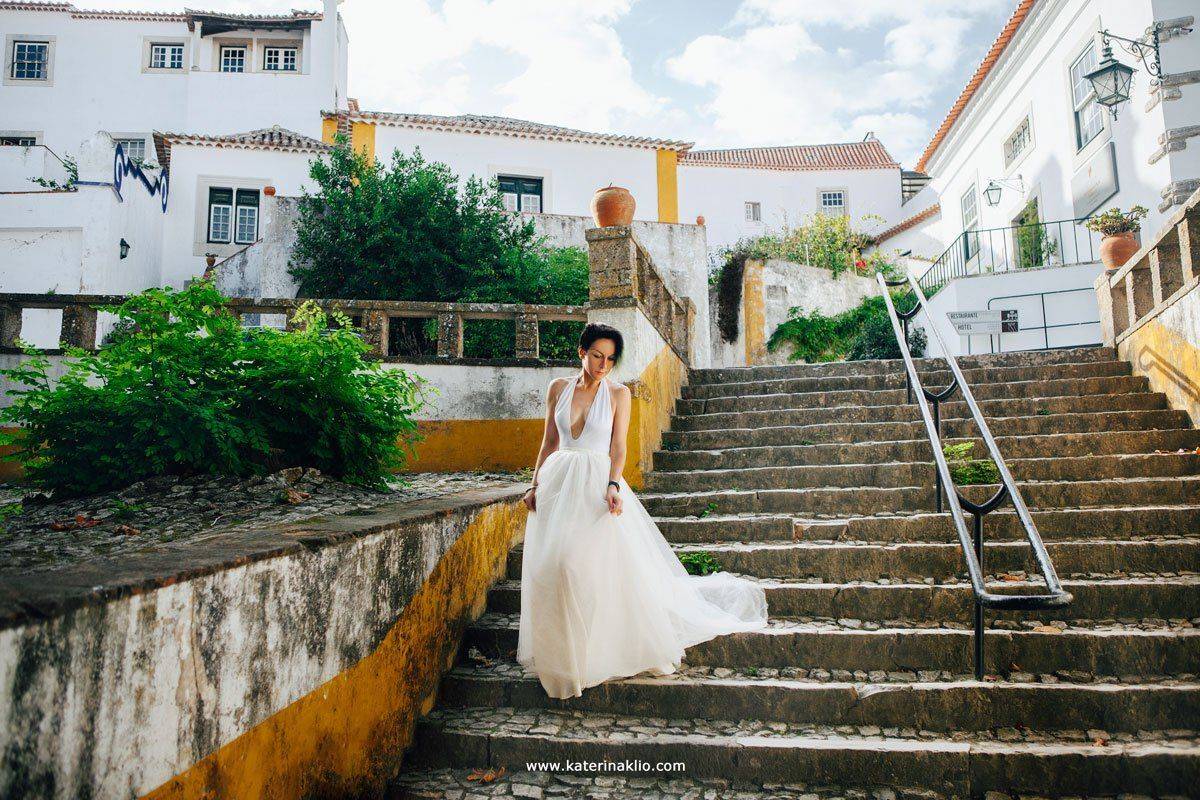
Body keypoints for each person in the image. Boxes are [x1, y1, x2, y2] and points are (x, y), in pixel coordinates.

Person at [516, 322, 769, 699]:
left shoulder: (619, 394)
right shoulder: (558, 389)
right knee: (549, 568)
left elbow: (618, 448)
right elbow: (549, 441)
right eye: (597, 356)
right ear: (582, 352)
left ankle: (595, 651)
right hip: (557, 484)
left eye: (611, 359)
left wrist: (614, 484)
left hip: (596, 487)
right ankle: (562, 658)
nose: (603, 365)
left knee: (577, 566)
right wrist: (535, 483)